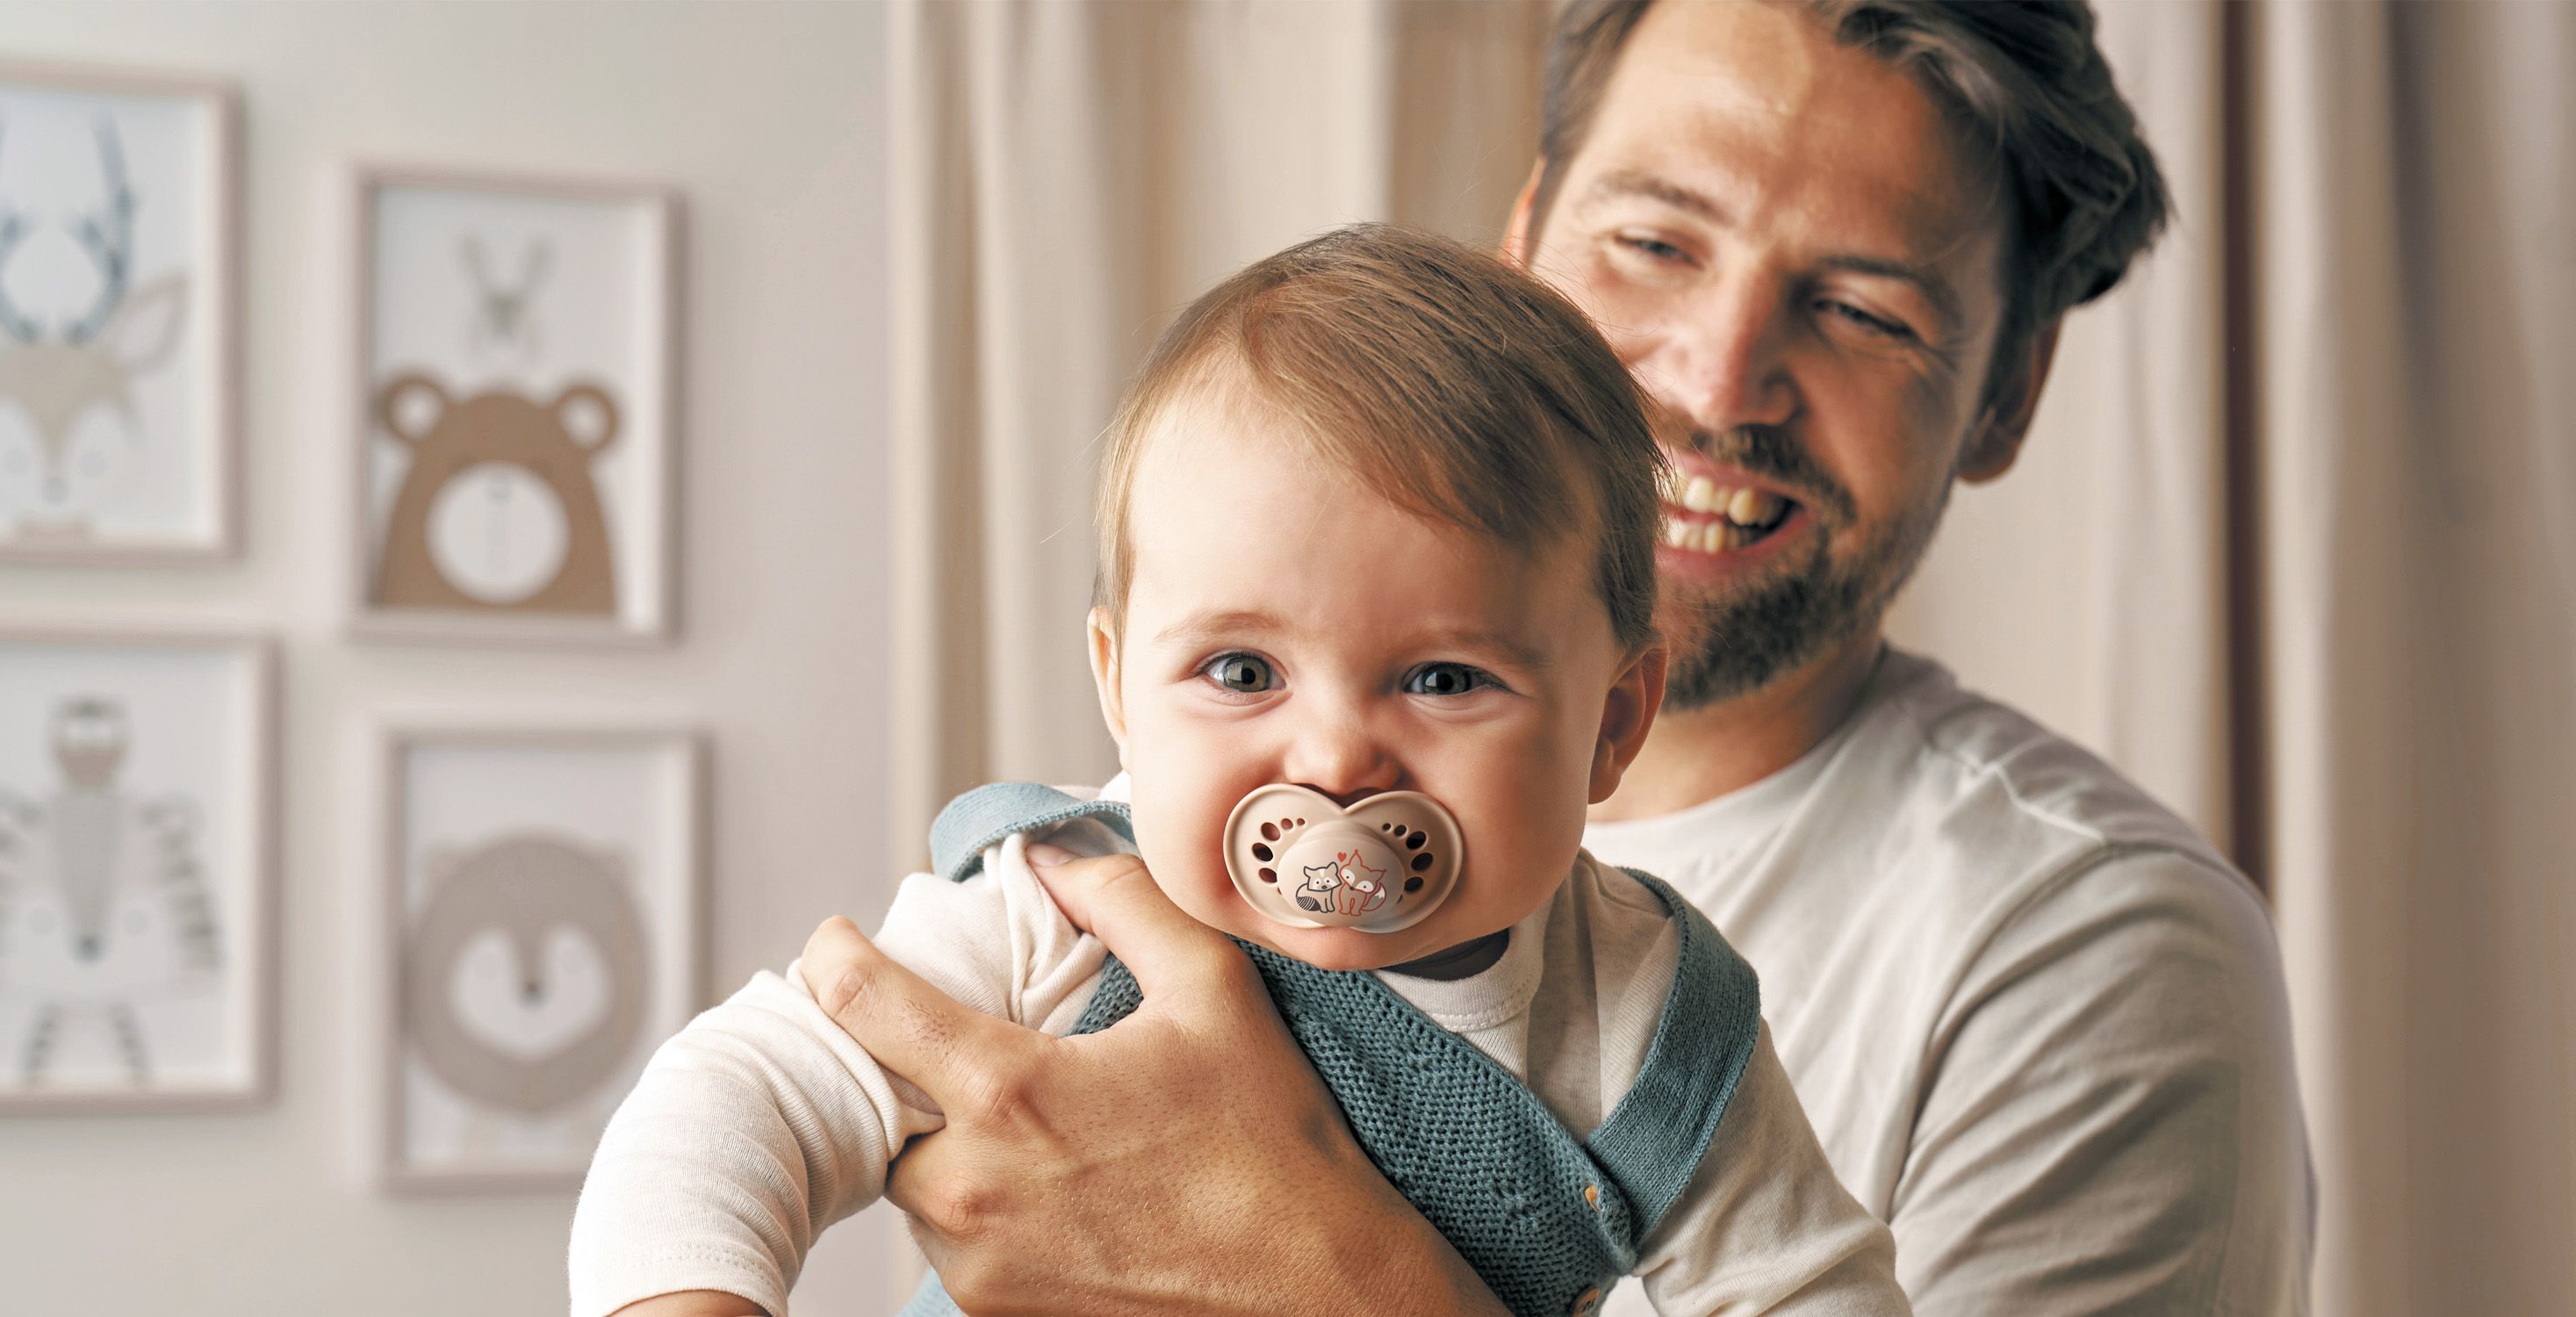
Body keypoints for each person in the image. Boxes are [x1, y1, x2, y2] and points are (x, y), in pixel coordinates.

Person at [784, 3, 2314, 1314]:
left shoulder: (2082, 951)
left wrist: (1310, 1267)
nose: (1715, 382)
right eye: (1652, 242)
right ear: (1520, 251)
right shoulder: (1101, 859)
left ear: (2004, 397)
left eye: (1860, 311)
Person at [572, 225, 1911, 1317]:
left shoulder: (1647, 1014)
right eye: (1240, 672)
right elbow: (736, 1102)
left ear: (1613, 721)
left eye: (1444, 678)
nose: (1331, 759)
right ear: (1117, 686)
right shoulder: (1066, 901)